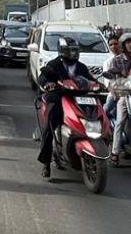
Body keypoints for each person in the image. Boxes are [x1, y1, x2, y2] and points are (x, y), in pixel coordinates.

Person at [36, 37, 95, 178]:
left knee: (95, 116)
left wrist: (99, 85)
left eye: (75, 51)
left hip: (79, 99)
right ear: (62, 51)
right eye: (70, 51)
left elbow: (90, 80)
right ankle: (46, 163)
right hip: (59, 98)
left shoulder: (81, 67)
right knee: (50, 125)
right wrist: (48, 84)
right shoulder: (54, 64)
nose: (73, 54)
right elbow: (43, 77)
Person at [103, 33, 131, 162]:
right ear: (123, 45)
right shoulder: (117, 60)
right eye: (128, 42)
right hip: (125, 95)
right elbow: (111, 75)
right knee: (120, 121)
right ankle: (115, 152)